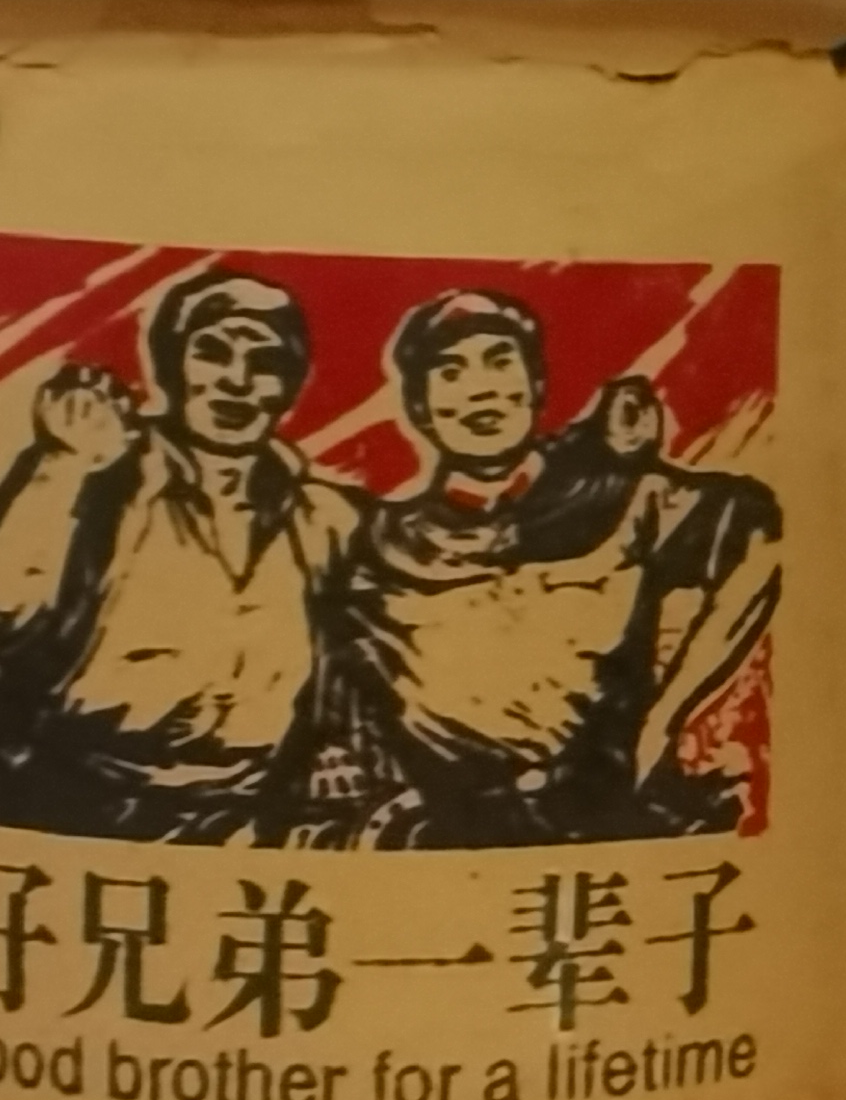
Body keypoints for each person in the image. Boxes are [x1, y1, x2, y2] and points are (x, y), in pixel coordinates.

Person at [312, 292, 782, 847]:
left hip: (611, 818)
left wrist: (667, 717)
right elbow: (345, 678)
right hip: (450, 830)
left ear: (535, 385)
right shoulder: (385, 544)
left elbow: (759, 538)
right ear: (418, 407)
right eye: (450, 371)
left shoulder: (619, 499)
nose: (480, 388)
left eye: (499, 361)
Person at [0, 265, 360, 843]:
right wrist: (64, 460)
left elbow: (359, 656)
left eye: (265, 362)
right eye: (212, 353)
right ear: (169, 364)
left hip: (241, 812)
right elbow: (0, 614)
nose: (237, 381)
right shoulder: (98, 475)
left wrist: (335, 740)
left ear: (291, 384)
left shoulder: (327, 518)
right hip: (67, 801)